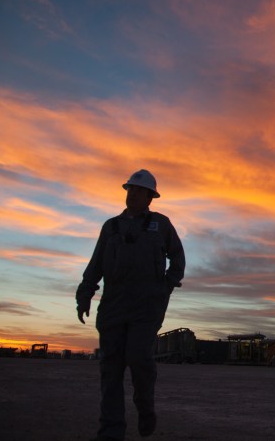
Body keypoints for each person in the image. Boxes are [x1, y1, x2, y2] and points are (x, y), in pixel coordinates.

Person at [76, 169, 185, 441]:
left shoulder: (161, 225)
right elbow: (96, 264)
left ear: (150, 197)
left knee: (138, 358)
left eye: (139, 190)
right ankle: (111, 431)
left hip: (146, 308)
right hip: (113, 307)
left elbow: (178, 258)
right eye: (130, 189)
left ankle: (144, 407)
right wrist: (84, 293)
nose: (133, 194)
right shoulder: (111, 227)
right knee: (110, 369)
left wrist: (165, 287)